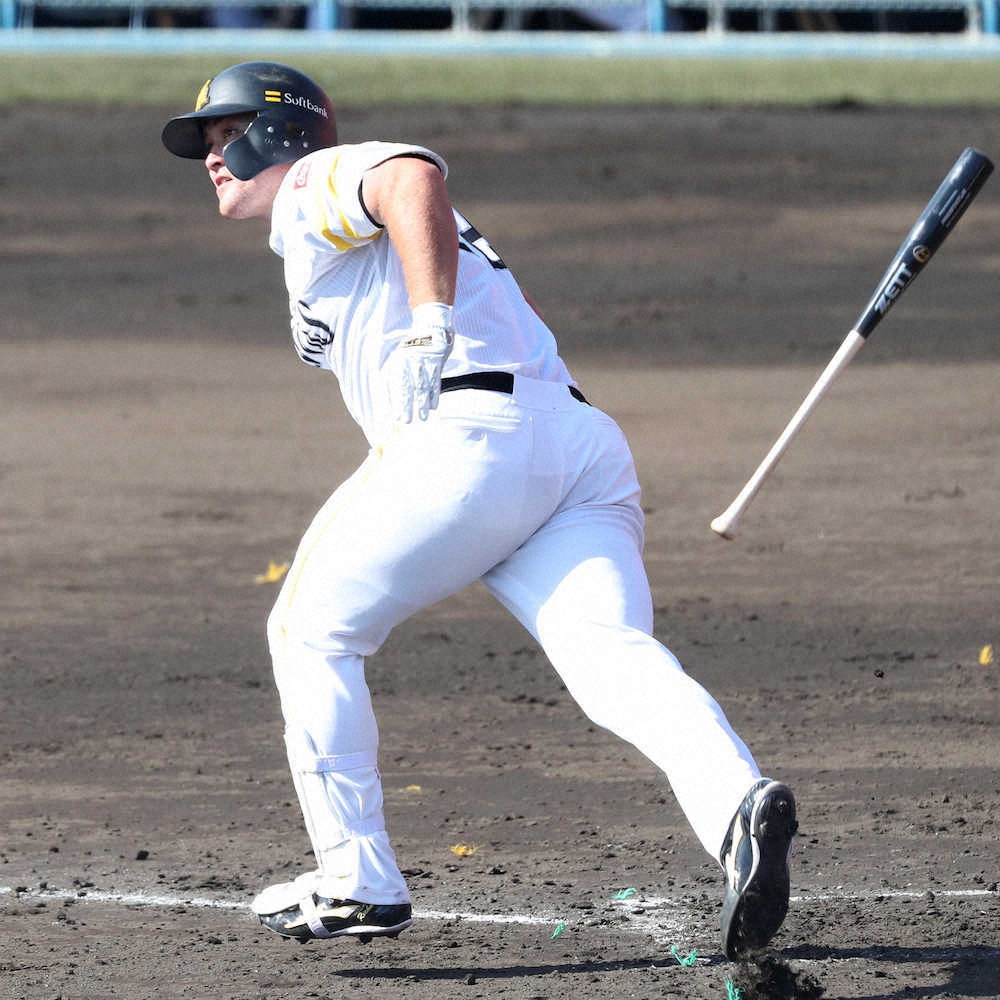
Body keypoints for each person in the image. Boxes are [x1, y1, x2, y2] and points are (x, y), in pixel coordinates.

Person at [161, 61, 798, 959]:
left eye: (228, 135)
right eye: (207, 143)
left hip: (469, 441)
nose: (212, 158)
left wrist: (430, 320)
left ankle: (354, 877)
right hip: (574, 448)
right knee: (607, 654)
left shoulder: (313, 180)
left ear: (285, 131)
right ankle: (738, 806)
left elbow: (409, 175)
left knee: (308, 632)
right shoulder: (319, 232)